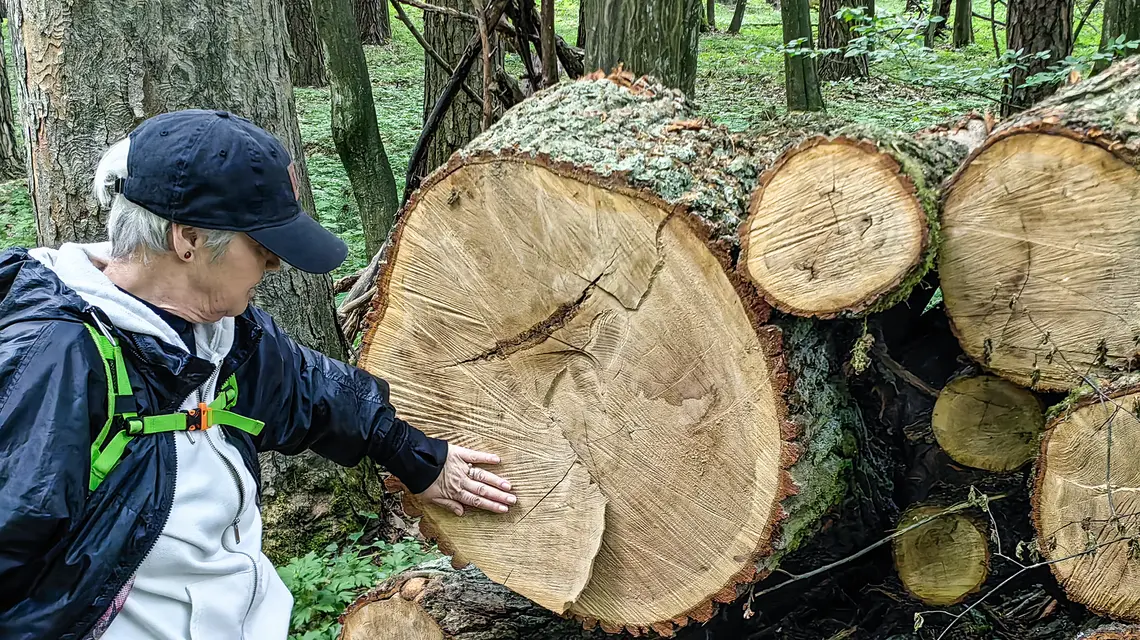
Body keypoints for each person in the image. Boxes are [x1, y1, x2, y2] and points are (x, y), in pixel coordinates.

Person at [0, 109, 516, 640]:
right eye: (263, 247)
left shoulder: (221, 333)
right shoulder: (55, 359)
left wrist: (417, 458)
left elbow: (312, 389)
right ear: (189, 239)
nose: (275, 266)